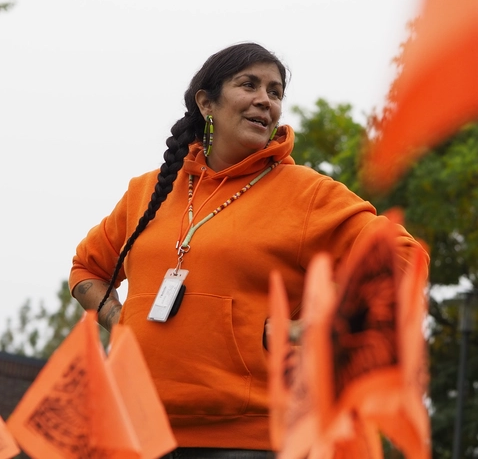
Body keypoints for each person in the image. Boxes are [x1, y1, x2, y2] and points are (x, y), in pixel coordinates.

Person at [70, 42, 427, 459]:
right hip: (134, 433)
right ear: (207, 103)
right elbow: (86, 270)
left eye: (275, 92)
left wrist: (315, 328)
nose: (265, 100)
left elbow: (404, 258)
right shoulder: (148, 192)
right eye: (249, 85)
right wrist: (121, 320)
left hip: (250, 440)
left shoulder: (307, 194)